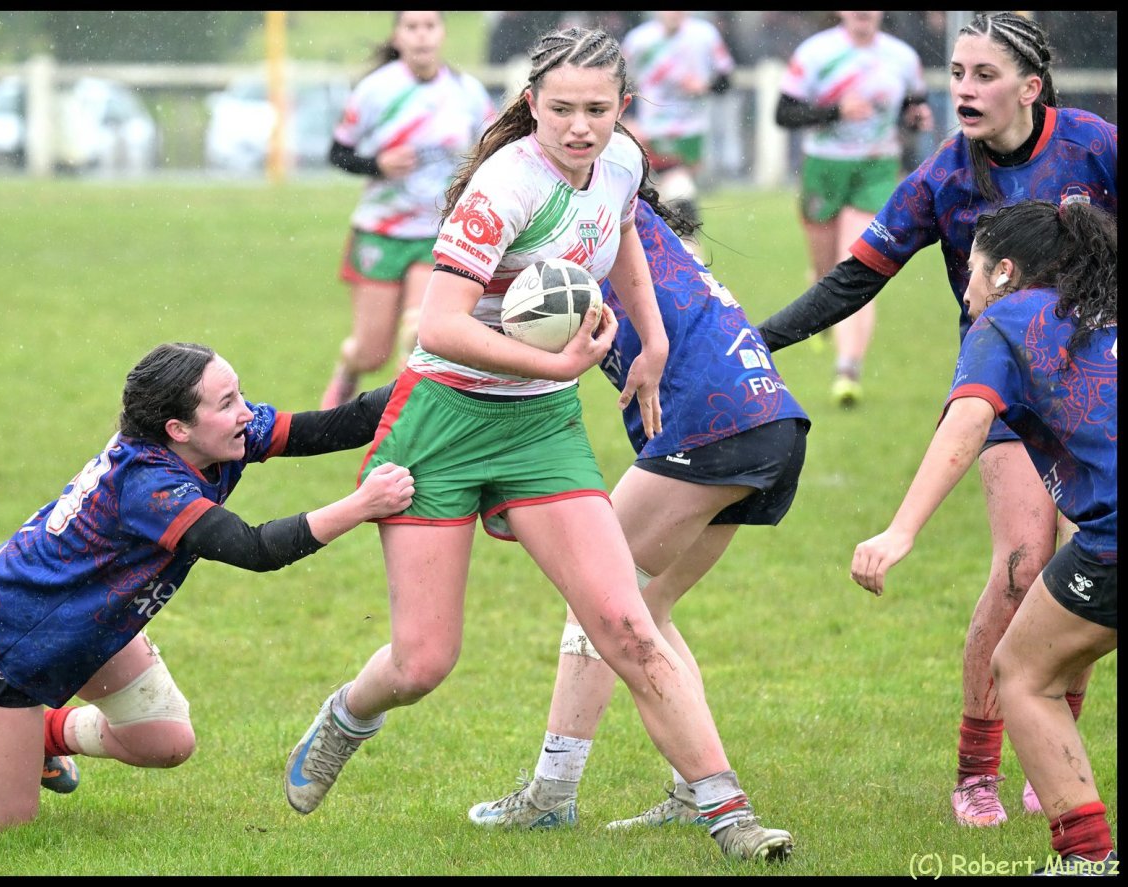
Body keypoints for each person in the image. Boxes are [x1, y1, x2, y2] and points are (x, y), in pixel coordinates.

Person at [283, 27, 793, 863]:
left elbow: (624, 233)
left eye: (597, 109)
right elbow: (439, 325)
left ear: (622, 107)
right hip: (442, 421)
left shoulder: (623, 159)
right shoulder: (504, 188)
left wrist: (652, 338)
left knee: (625, 621)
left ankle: (727, 813)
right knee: (422, 661)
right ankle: (346, 716)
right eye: (560, 109)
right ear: (530, 105)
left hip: (541, 428)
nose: (580, 127)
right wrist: (553, 360)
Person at [754, 11, 1116, 828]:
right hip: (1000, 387)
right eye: (954, 73)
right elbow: (853, 278)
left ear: (1029, 87)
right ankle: (976, 770)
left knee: (1086, 548)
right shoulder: (943, 178)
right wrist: (758, 339)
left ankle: (1051, 745)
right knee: (1023, 563)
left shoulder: (1092, 143)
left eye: (982, 76)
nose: (963, 89)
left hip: (1096, 381)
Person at [0, 342, 415, 830]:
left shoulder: (211, 439)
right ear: (177, 429)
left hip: (91, 624)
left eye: (239, 394)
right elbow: (254, 550)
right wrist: (361, 505)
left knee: (167, 744)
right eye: (227, 403)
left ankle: (43, 735)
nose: (246, 413)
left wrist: (435, 374)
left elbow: (343, 423)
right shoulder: (149, 486)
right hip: (7, 634)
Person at [465, 196, 810, 832]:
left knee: (597, 599)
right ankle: (689, 791)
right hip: (772, 420)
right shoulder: (627, 228)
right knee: (648, 607)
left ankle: (550, 795)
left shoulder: (582, 223)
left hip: (711, 423)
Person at [851, 199, 1117, 875]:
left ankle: (1085, 858)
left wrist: (900, 529)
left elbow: (968, 420)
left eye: (966, 269)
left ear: (1001, 271)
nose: (962, 286)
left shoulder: (1001, 321)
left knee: (1022, 673)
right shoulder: (1102, 306)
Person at [319, 11, 495, 410]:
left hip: (436, 234)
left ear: (442, 33)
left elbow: (491, 152)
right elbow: (337, 153)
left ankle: (400, 430)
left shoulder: (467, 93)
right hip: (380, 231)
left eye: (429, 26)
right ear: (397, 35)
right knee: (371, 352)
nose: (421, 36)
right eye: (412, 27)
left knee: (418, 334)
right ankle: (348, 368)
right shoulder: (375, 90)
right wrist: (377, 164)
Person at [775, 11, 933, 408]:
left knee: (858, 263)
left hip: (877, 167)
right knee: (827, 272)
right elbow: (784, 114)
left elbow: (913, 109)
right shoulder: (816, 52)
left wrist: (916, 119)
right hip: (824, 167)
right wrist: (834, 112)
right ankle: (823, 310)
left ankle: (848, 369)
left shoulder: (902, 57)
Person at [620, 12, 735, 228]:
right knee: (676, 196)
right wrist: (627, 119)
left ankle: (679, 244)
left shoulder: (704, 35)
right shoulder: (639, 40)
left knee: (676, 196)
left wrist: (705, 86)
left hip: (691, 132)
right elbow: (618, 81)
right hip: (651, 132)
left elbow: (726, 80)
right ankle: (682, 244)